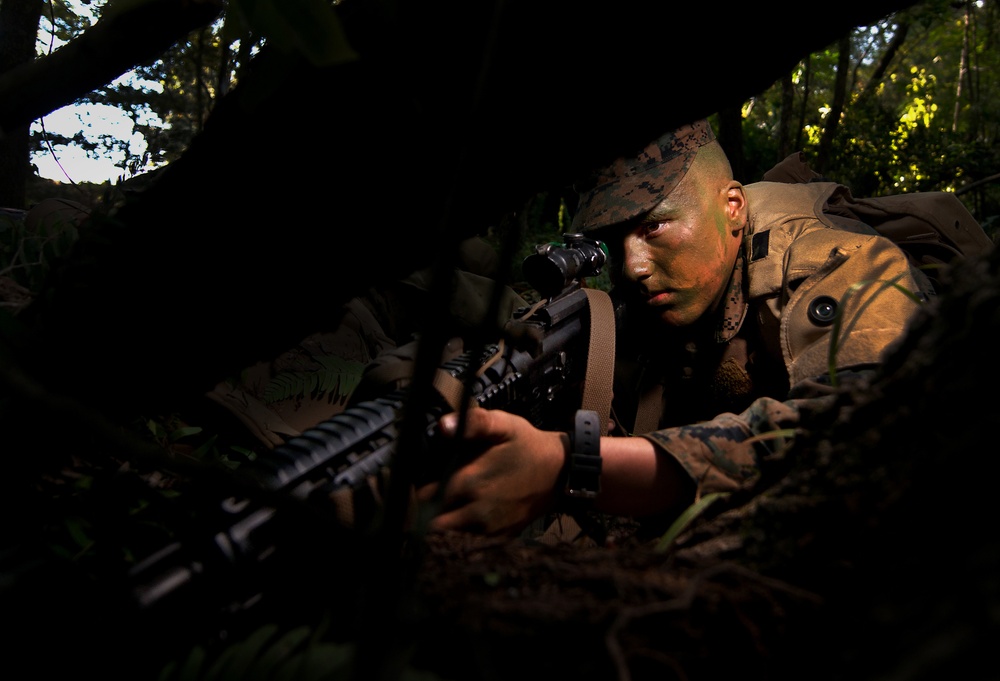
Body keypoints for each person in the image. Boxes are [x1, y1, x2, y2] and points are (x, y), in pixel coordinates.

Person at [413, 118, 979, 540]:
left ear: (731, 207)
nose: (632, 266)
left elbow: (850, 436)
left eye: (655, 226)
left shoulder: (835, 261)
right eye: (613, 242)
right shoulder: (647, 302)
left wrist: (571, 463)